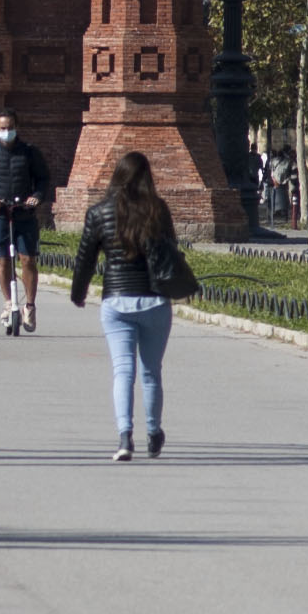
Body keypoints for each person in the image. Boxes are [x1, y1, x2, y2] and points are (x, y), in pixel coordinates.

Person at [67, 145, 201, 463]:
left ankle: (125, 437)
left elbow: (85, 258)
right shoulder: (158, 210)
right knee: (151, 372)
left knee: (122, 370)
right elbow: (171, 250)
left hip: (116, 300)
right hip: (155, 301)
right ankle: (154, 432)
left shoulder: (99, 213)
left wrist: (78, 292)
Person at [0, 110, 53, 337]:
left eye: (10, 127)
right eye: (3, 128)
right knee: (4, 260)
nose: (7, 132)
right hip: (0, 213)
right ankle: (8, 302)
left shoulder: (29, 152)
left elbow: (44, 179)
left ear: (17, 127)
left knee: (28, 260)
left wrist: (36, 196)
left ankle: (30, 305)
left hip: (24, 213)